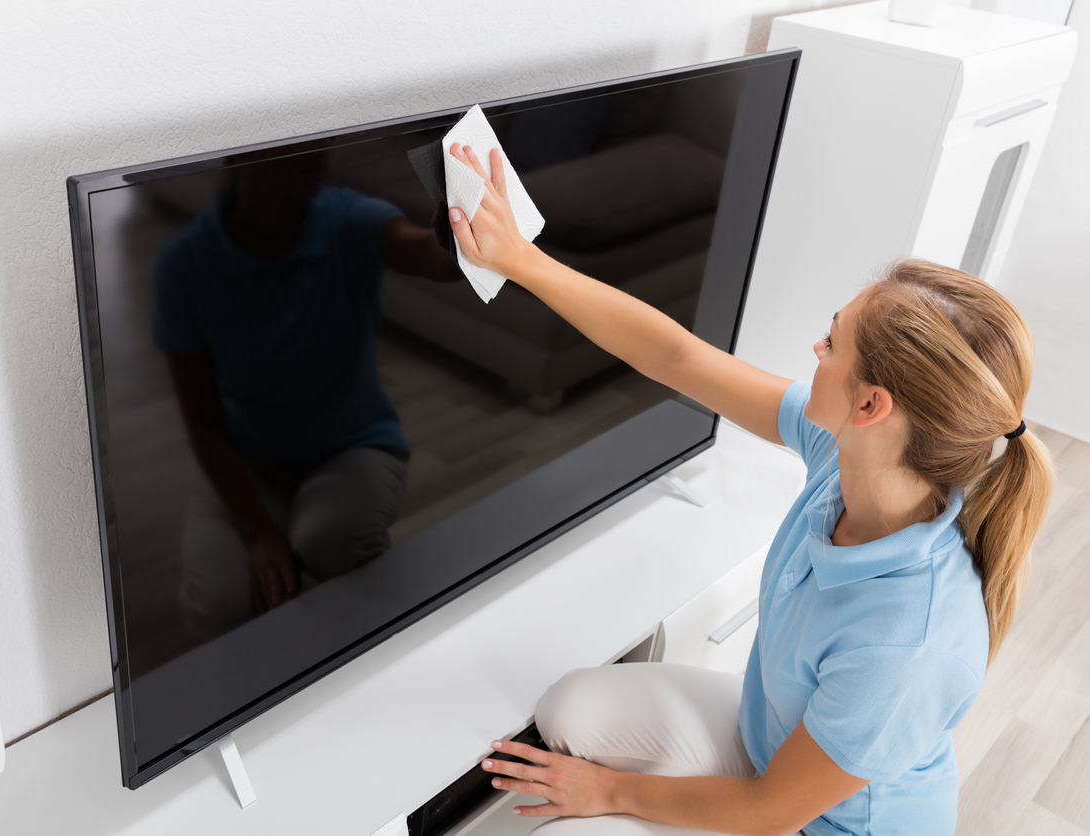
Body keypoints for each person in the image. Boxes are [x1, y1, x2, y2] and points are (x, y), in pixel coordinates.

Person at [444, 143, 1054, 835]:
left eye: (833, 342)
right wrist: (522, 260)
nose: (816, 350)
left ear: (872, 407)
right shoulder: (849, 454)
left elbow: (769, 814)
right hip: (770, 749)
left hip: (817, 824)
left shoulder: (910, 643)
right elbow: (677, 356)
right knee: (568, 711)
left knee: (566, 829)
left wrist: (610, 792)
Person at [153, 146, 459, 632]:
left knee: (329, 540)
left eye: (316, 137)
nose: (315, 152)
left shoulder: (347, 218)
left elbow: (425, 253)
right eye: (287, 142)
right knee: (222, 607)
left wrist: (457, 241)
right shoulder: (184, 268)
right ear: (239, 156)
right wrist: (259, 533)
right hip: (250, 458)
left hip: (354, 446)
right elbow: (205, 423)